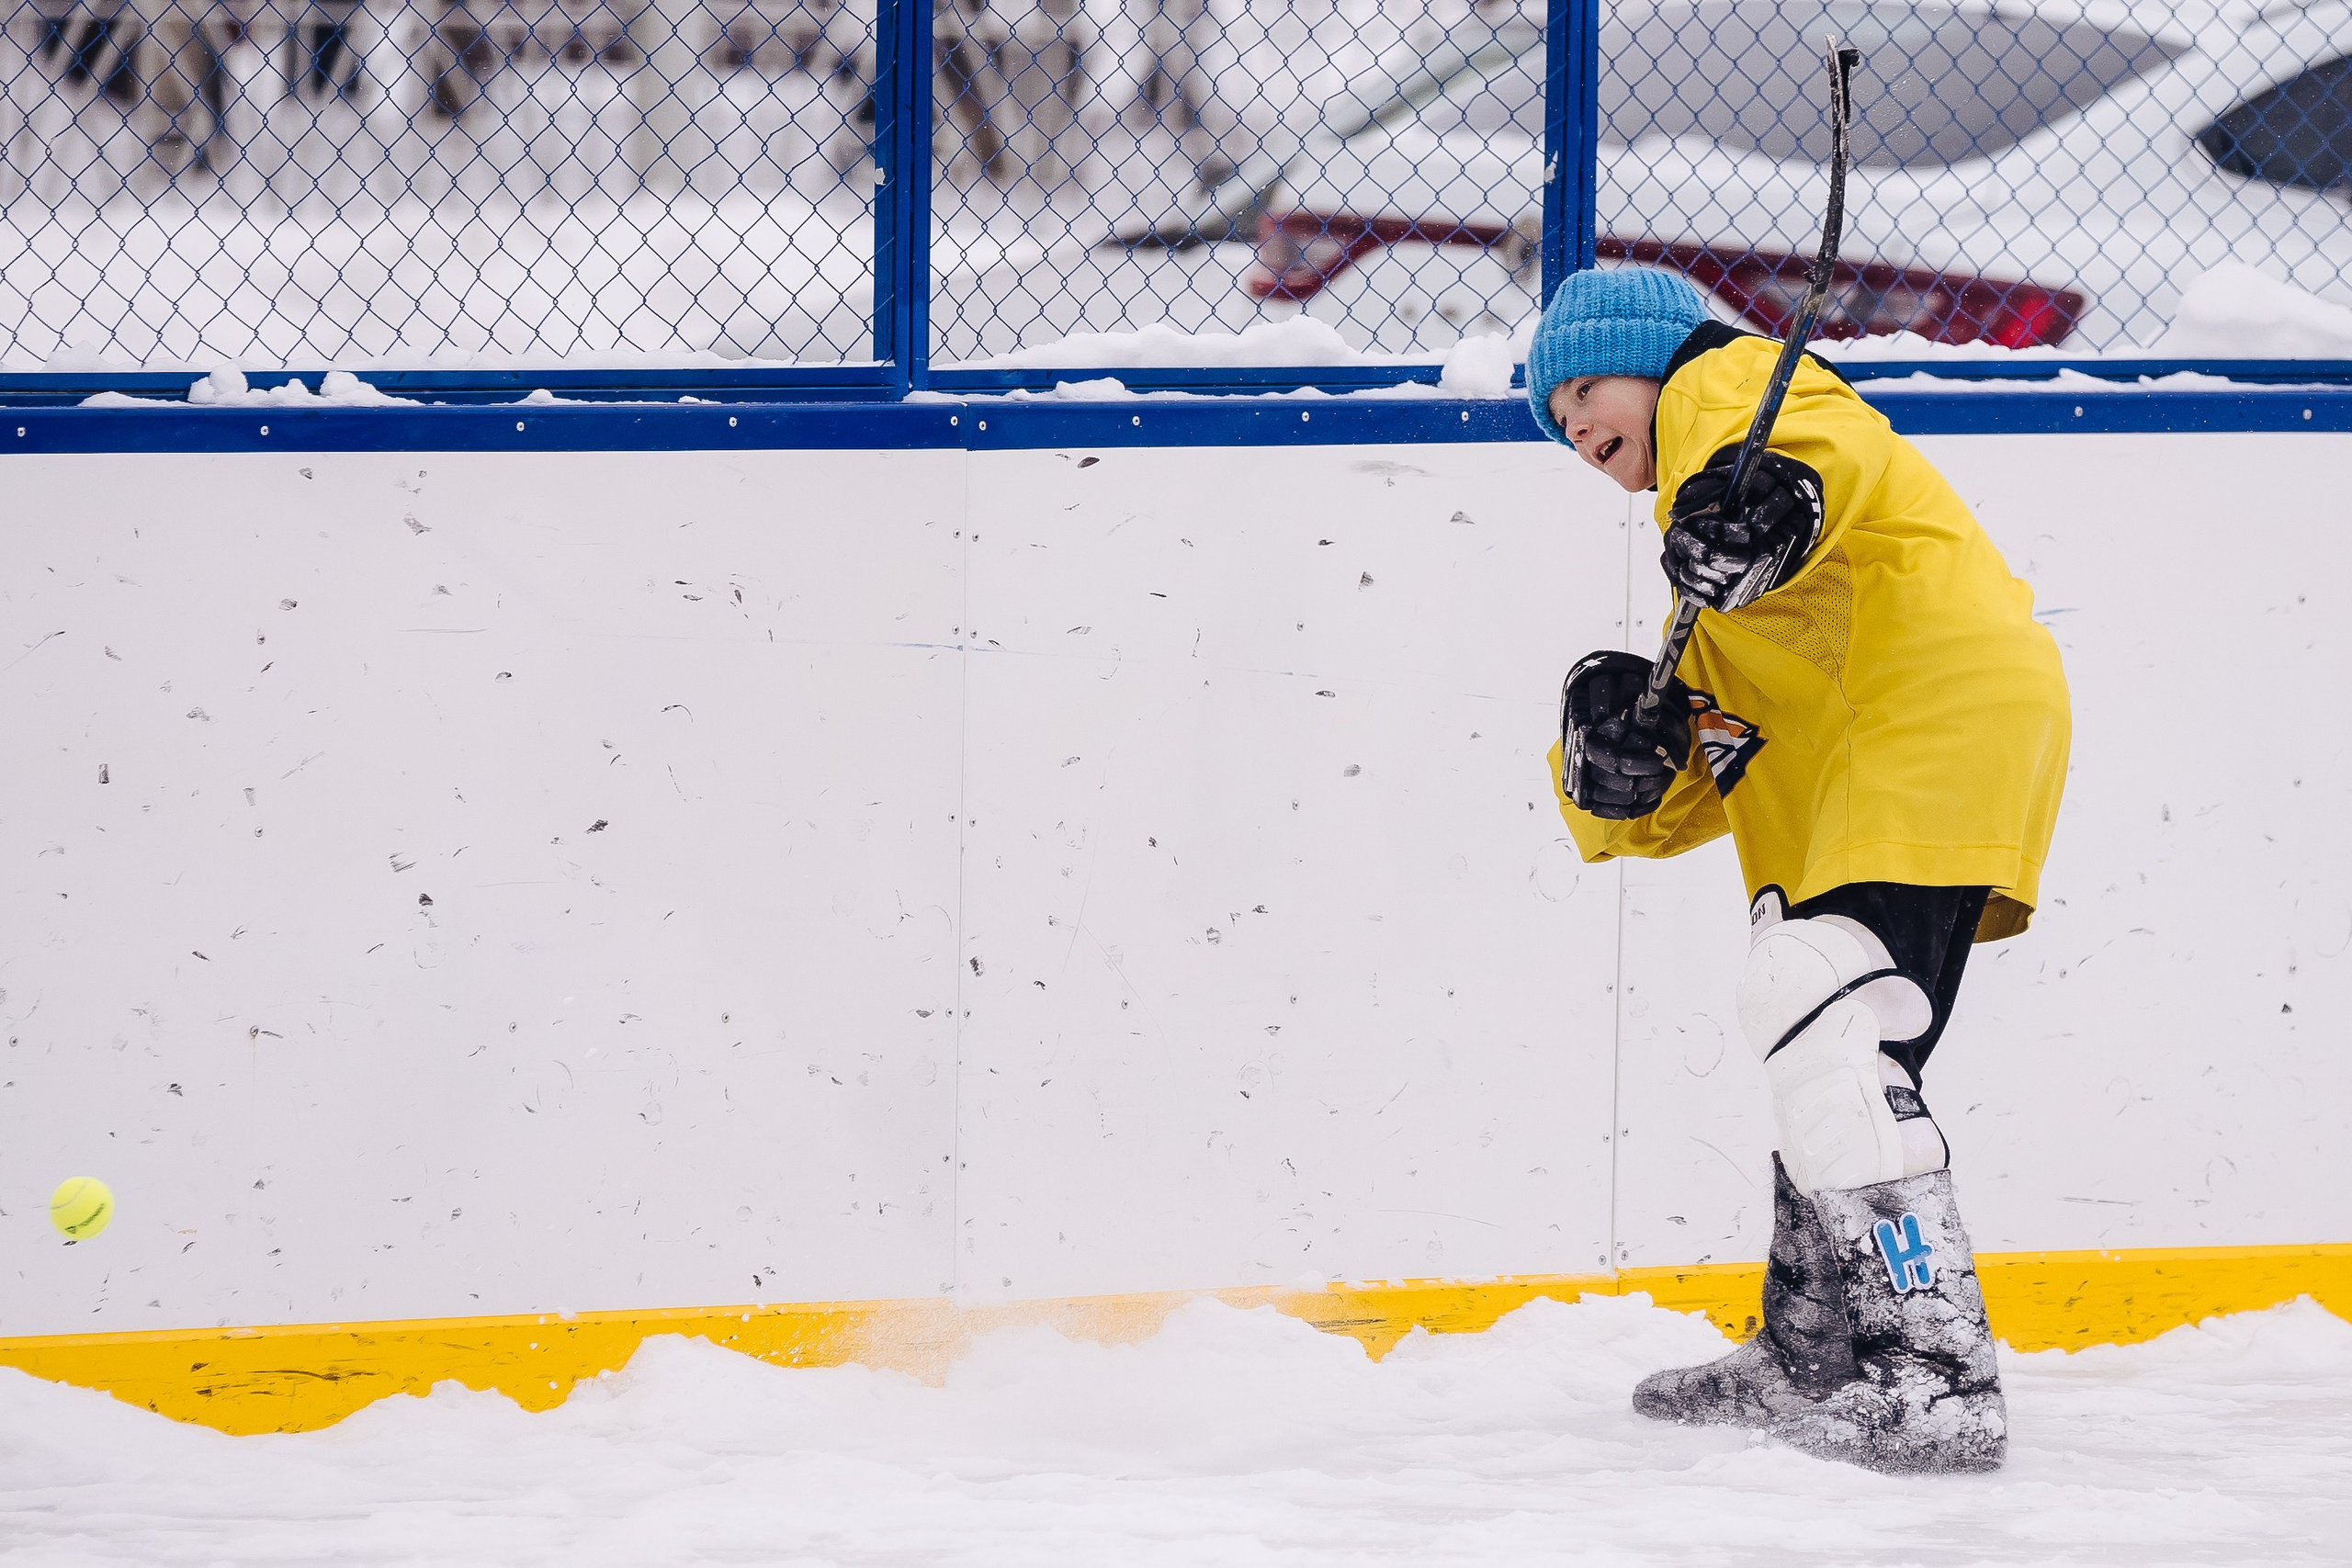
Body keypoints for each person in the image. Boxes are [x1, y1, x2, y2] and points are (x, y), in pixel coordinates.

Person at [1525, 267, 2071, 1474]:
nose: (1571, 423)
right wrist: (1617, 756)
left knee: (1818, 1015)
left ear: (1658, 361)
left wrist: (1761, 498)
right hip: (1869, 775)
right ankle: (1815, 1350)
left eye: (1582, 386)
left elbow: (1808, 473)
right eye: (1551, 419)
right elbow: (1704, 775)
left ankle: (1932, 1374)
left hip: (1929, 718)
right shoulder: (1714, 600)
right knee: (1828, 1044)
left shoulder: (1742, 390)